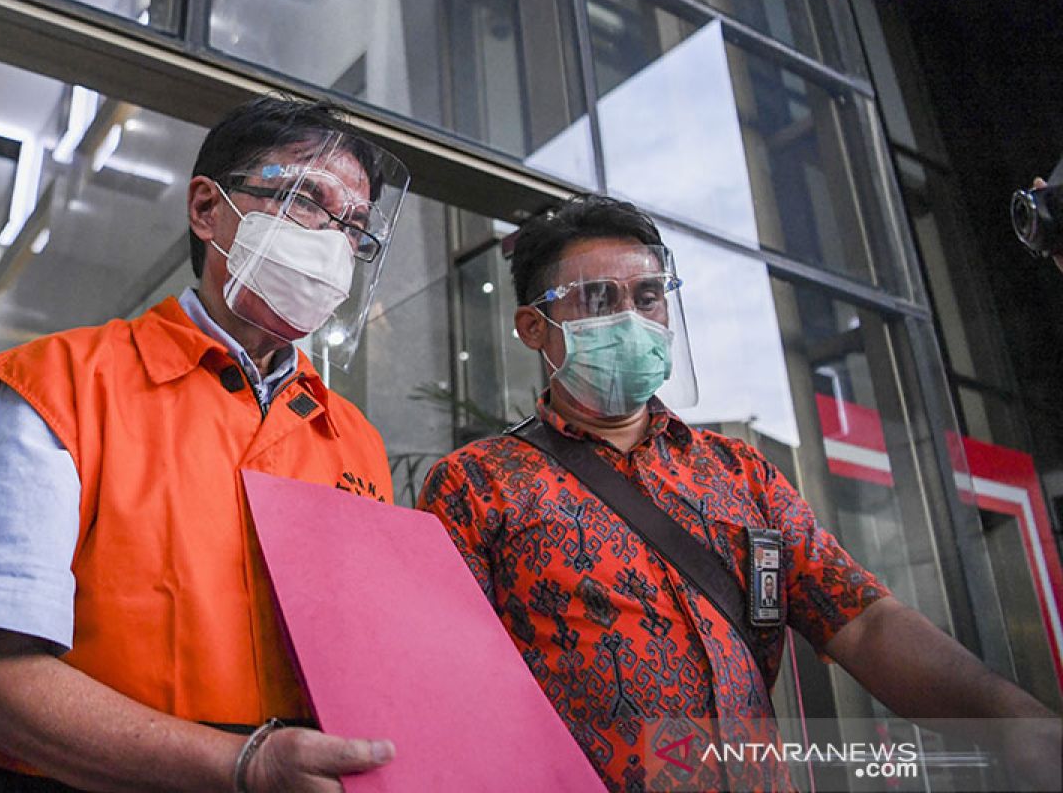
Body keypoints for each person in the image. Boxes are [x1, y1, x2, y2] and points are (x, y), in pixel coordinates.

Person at [418, 195, 1061, 792]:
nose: (631, 319)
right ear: (534, 327)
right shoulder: (476, 485)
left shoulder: (741, 475)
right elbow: (444, 685)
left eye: (648, 297)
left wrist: (1023, 727)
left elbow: (863, 623)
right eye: (597, 299)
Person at [0, 95, 410, 792]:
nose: (333, 242)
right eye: (305, 200)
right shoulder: (65, 384)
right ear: (208, 210)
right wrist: (239, 767)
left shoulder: (353, 438)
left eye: (353, 226)